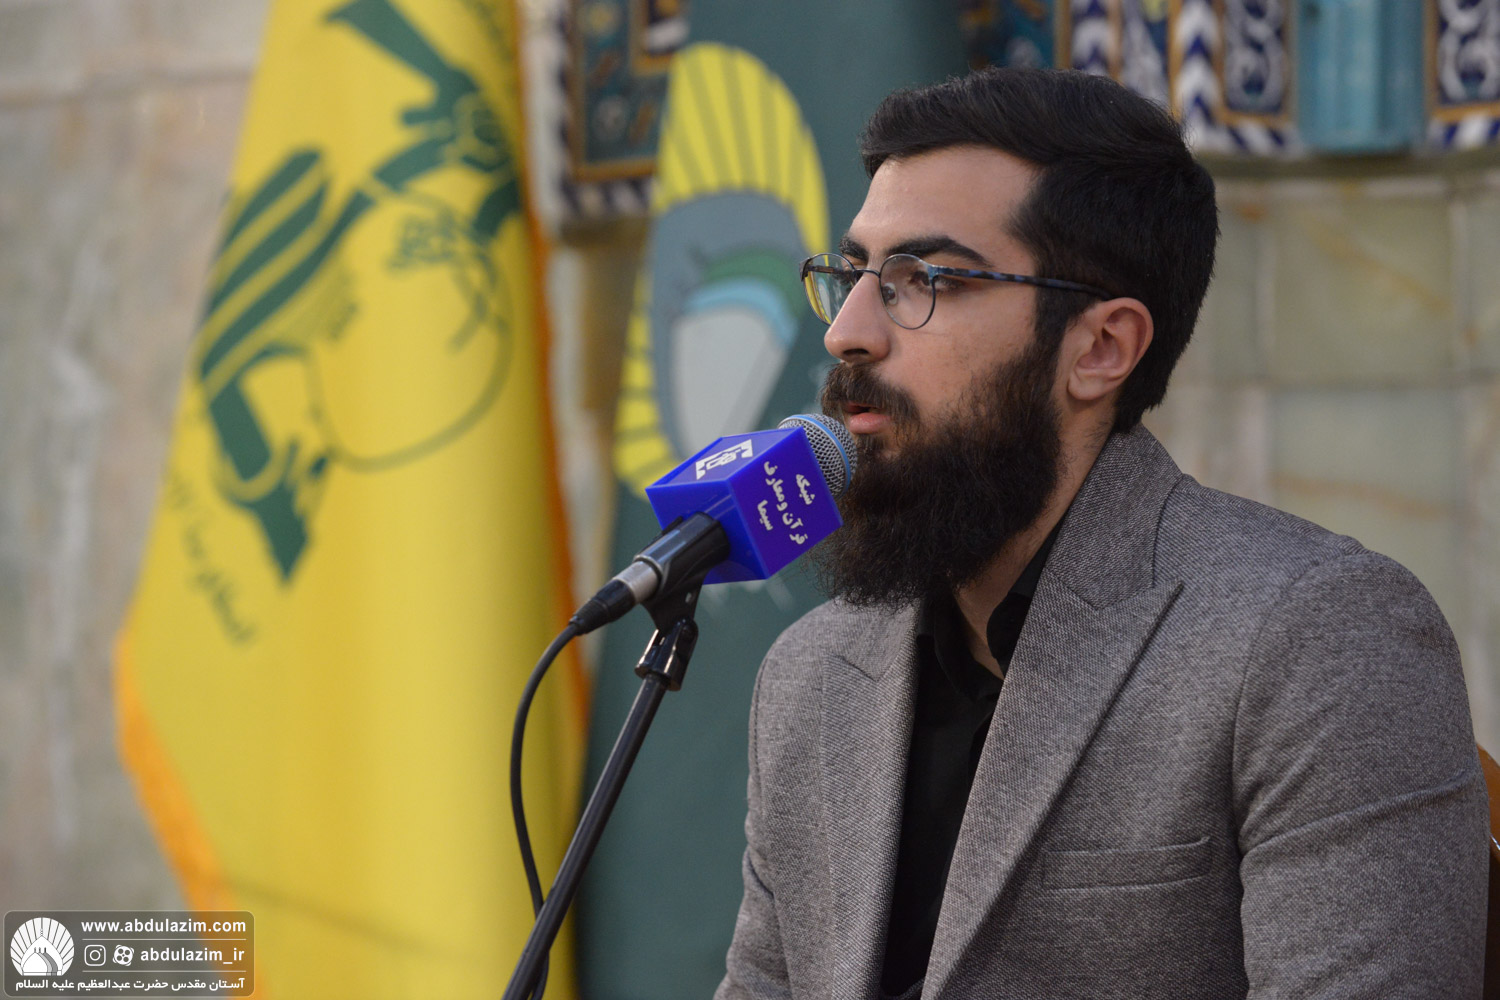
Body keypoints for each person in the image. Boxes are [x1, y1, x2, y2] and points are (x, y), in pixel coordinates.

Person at [714, 68, 1488, 1000]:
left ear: (1101, 348)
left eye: (923, 280)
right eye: (852, 275)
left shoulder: (1316, 639)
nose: (847, 332)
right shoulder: (811, 676)